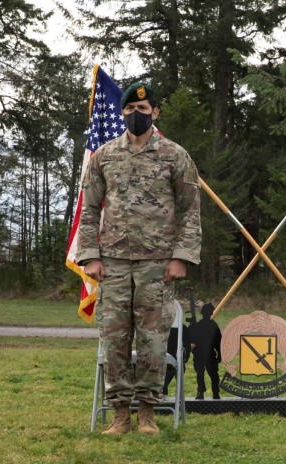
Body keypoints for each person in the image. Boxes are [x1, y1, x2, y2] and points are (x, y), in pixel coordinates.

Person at [76, 82, 202, 435]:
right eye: (130, 110)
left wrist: (181, 258)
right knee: (115, 338)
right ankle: (119, 413)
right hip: (112, 264)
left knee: (152, 340)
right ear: (122, 113)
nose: (136, 115)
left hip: (157, 265)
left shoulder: (175, 156)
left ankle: (147, 411)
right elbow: (88, 209)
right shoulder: (104, 156)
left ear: (155, 114)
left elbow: (190, 210)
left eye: (143, 111)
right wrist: (90, 257)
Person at [189, 303, 222, 400]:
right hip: (208, 353)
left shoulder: (198, 325)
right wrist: (219, 354)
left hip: (201, 353)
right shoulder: (213, 325)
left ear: (202, 313)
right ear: (211, 313)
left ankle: (202, 392)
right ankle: (214, 393)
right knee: (212, 374)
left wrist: (191, 326)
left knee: (201, 374)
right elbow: (219, 342)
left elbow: (191, 339)